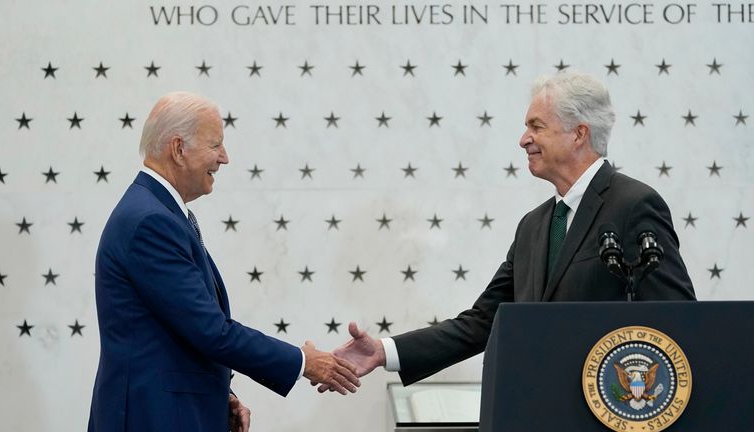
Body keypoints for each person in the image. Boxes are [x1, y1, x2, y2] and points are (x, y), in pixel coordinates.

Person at [323, 71, 696, 388]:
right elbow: (484, 322)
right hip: (537, 410)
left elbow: (679, 318)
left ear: (579, 134)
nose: (524, 139)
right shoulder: (534, 226)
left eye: (537, 126)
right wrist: (385, 351)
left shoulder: (633, 205)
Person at [88, 91, 359, 432]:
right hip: (153, 417)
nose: (225, 158)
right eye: (215, 144)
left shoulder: (159, 212)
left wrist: (220, 394)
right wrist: (303, 362)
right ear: (178, 149)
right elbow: (210, 330)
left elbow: (178, 331)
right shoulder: (150, 222)